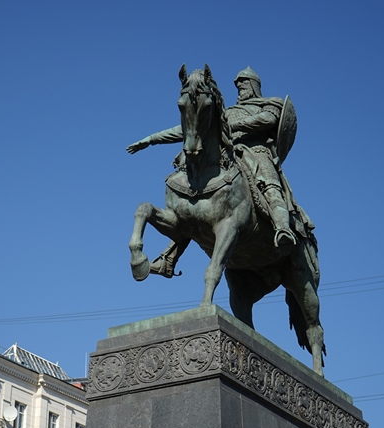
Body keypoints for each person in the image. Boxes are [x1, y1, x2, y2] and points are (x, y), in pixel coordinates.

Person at [127, 66, 312, 277]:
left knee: (269, 184)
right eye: (237, 86)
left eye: (243, 84)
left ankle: (282, 229)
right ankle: (169, 258)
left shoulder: (269, 103)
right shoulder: (227, 112)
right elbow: (189, 128)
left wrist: (235, 125)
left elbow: (269, 120)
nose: (240, 89)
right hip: (230, 153)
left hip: (256, 150)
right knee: (195, 198)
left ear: (253, 85)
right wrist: (151, 139)